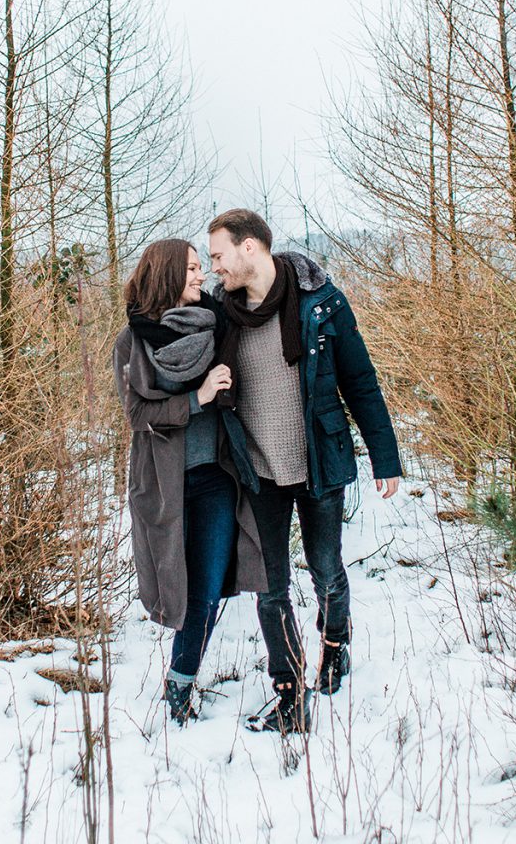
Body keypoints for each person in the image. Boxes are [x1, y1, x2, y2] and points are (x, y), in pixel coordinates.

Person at [208, 209, 402, 734]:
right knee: (269, 588)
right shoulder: (222, 314)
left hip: (319, 461)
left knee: (326, 569)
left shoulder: (322, 302)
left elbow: (360, 381)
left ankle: (335, 644)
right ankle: (291, 692)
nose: (215, 267)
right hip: (259, 471)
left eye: (219, 255)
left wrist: (385, 456)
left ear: (250, 247)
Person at [112, 238, 267, 726]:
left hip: (216, 477)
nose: (202, 276)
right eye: (192, 269)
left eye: (203, 266)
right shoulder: (132, 341)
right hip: (165, 484)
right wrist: (196, 399)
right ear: (167, 275)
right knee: (175, 586)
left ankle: (179, 685)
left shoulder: (217, 326)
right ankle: (179, 685)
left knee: (205, 587)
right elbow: (137, 414)